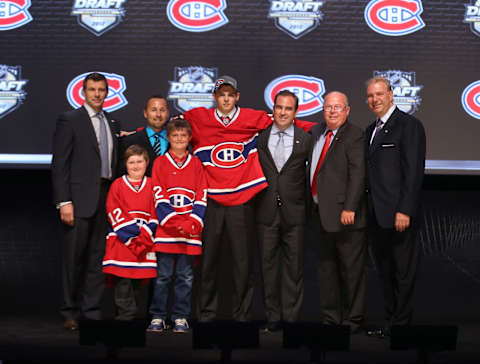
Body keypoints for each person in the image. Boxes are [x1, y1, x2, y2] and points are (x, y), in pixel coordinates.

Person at [177, 76, 314, 322]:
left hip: (242, 202)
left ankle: (242, 317)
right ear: (214, 97)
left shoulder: (253, 118)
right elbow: (172, 129)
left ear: (237, 97)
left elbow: (287, 121)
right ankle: (207, 316)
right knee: (208, 264)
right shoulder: (197, 118)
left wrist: (323, 130)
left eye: (230, 94)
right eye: (221, 94)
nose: (226, 99)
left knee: (243, 265)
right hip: (211, 202)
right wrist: (138, 133)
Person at [51, 72, 121, 330]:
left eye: (101, 89)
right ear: (83, 92)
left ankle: (90, 310)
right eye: (92, 89)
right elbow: (60, 165)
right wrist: (64, 201)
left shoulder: (112, 122)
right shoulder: (70, 120)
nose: (97, 94)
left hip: (105, 197)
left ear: (107, 92)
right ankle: (70, 311)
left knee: (97, 258)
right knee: (73, 259)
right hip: (78, 200)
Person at [364, 77, 426, 337]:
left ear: (391, 94)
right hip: (376, 215)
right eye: (370, 95)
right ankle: (391, 323)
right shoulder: (370, 130)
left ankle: (401, 327)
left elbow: (413, 172)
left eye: (379, 94)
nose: (374, 99)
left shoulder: (409, 125)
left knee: (402, 273)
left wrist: (405, 209)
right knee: (385, 272)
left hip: (399, 214)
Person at [310, 91, 367, 333]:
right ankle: (331, 318)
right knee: (326, 270)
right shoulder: (316, 132)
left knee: (351, 272)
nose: (332, 111)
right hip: (320, 214)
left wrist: (350, 207)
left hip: (346, 216)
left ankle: (353, 321)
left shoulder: (355, 135)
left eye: (337, 107)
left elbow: (358, 174)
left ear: (347, 110)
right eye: (328, 107)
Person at [255, 90, 311, 332]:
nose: (283, 112)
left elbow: (312, 177)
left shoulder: (306, 139)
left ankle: (290, 322)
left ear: (296, 112)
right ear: (273, 109)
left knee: (294, 269)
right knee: (268, 269)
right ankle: (273, 320)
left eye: (288, 108)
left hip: (295, 213)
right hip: (266, 212)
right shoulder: (260, 138)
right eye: (279, 107)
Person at [147, 119, 207, 333]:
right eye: (175, 135)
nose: (179, 139)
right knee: (163, 277)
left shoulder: (197, 164)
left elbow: (202, 195)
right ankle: (158, 316)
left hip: (189, 233)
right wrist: (174, 223)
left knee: (185, 277)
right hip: (166, 233)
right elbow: (158, 195)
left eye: (183, 135)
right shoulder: (160, 163)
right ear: (168, 138)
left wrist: (191, 223)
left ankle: (180, 316)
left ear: (189, 138)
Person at [102, 145, 157, 320]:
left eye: (139, 161)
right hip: (121, 240)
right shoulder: (118, 185)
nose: (135, 165)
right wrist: (133, 237)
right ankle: (126, 317)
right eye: (131, 162)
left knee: (138, 282)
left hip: (145, 241)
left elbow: (157, 212)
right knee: (123, 280)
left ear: (146, 163)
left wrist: (144, 236)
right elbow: (113, 210)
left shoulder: (153, 185)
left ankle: (133, 317)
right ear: (125, 164)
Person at [119, 95, 170, 176]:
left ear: (167, 113)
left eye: (162, 110)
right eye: (153, 110)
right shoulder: (129, 141)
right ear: (145, 113)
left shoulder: (177, 142)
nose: (158, 114)